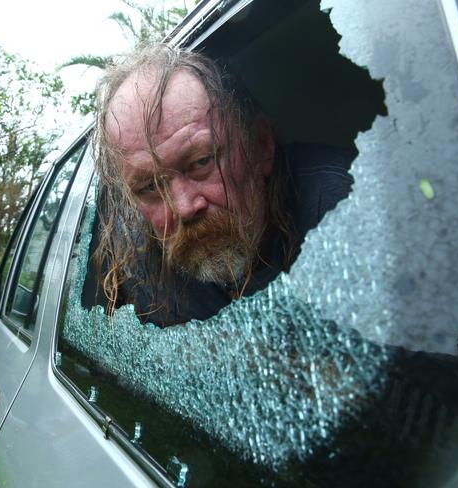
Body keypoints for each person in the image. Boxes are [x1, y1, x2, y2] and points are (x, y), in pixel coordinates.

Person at [90, 44, 355, 327]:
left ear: (261, 145)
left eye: (202, 161)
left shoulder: (351, 215)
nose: (182, 208)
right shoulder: (149, 270)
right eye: (149, 188)